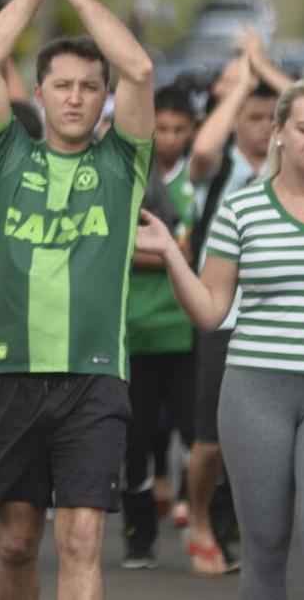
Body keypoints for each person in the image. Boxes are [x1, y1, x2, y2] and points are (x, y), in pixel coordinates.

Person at [0, 0, 155, 600]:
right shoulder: (8, 152)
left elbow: (137, 64)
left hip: (94, 378)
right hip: (11, 371)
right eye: (63, 85)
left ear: (104, 99)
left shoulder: (122, 162)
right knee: (15, 541)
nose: (76, 97)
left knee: (80, 539)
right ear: (39, 93)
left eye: (89, 87)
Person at [135, 78, 304, 600]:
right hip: (255, 391)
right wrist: (170, 252)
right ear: (281, 133)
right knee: (264, 547)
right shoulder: (241, 209)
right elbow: (209, 310)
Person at [182, 32, 288, 575]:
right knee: (210, 440)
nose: (264, 128)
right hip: (224, 317)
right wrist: (243, 82)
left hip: (282, 323)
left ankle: (258, 535)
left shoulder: (301, 173)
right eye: (253, 117)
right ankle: (198, 517)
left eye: (274, 118)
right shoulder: (218, 171)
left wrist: (266, 66)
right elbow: (201, 148)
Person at [120, 84, 198, 569]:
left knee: (199, 437)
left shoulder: (200, 179)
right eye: (161, 128)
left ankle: (209, 520)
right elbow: (118, 247)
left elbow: (188, 251)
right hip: (133, 332)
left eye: (178, 129)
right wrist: (166, 252)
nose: (168, 138)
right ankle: (138, 537)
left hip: (186, 329)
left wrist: (148, 251)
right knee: (136, 443)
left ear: (191, 130)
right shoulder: (129, 177)